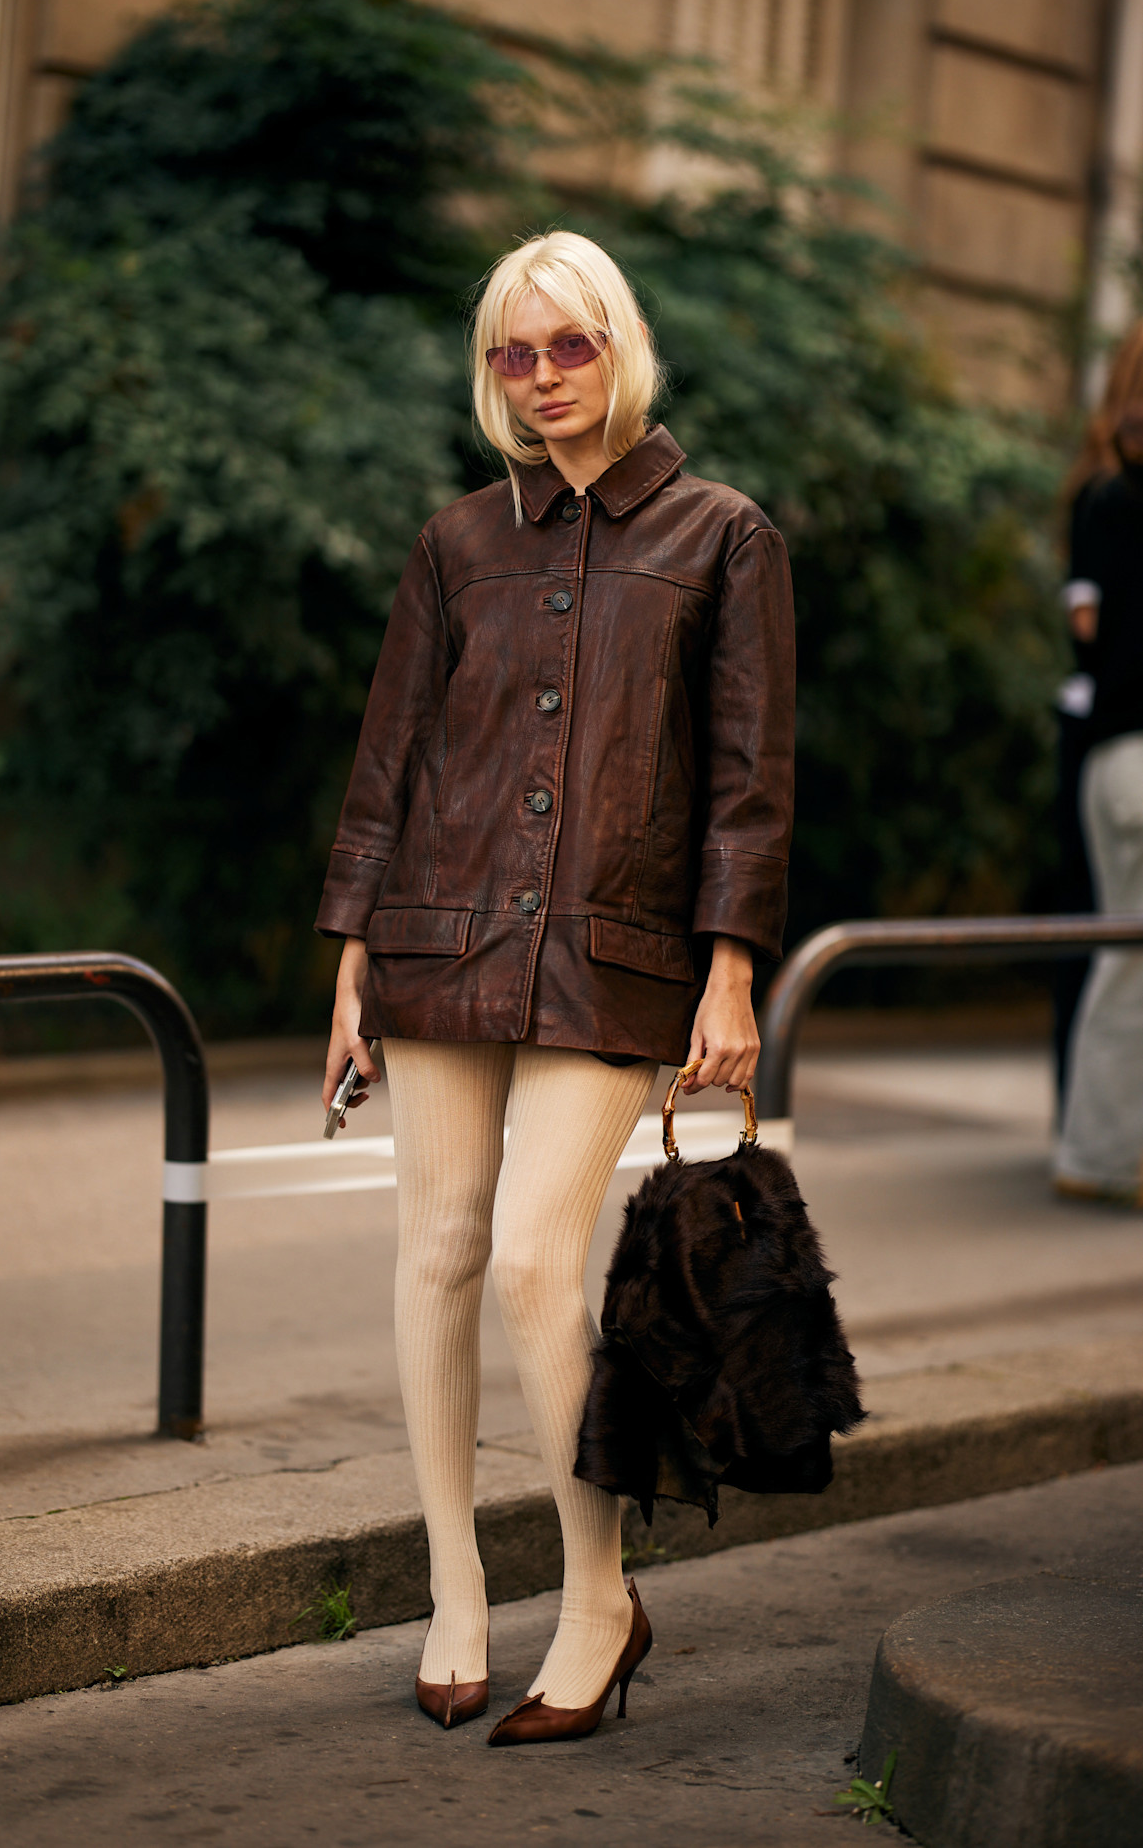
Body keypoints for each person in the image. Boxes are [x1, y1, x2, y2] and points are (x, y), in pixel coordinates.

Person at [316, 231, 795, 1743]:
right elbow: (389, 760)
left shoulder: (724, 537)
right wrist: (349, 957)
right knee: (438, 1250)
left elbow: (749, 781)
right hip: (438, 933)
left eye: (565, 348)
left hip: (617, 951)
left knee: (532, 1257)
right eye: (511, 357)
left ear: (619, 343)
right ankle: (456, 1587)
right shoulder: (458, 544)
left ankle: (599, 1596)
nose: (539, 382)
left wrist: (732, 970)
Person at [1054, 325, 1143, 1205]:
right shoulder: (1121, 498)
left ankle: (1097, 1150)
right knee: (1128, 960)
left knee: (1121, 957)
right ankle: (1103, 1155)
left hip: (1110, 754)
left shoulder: (1097, 495)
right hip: (1133, 756)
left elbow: (1086, 630)